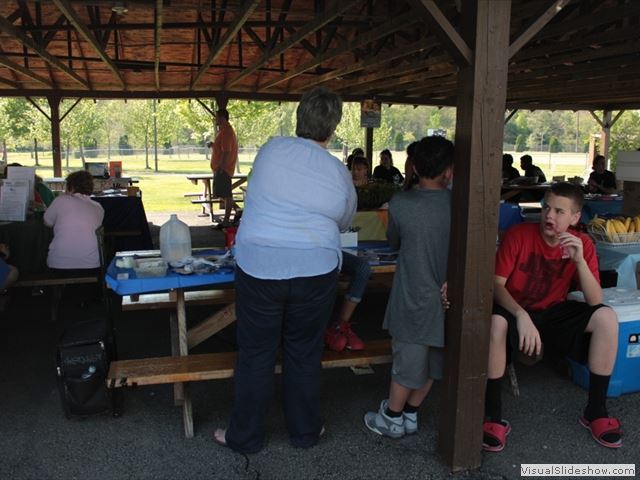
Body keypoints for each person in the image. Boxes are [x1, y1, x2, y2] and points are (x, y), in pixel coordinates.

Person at [214, 87, 356, 453]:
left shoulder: (271, 149)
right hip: (316, 267)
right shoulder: (338, 171)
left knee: (256, 353)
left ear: (299, 119)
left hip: (260, 263)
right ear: (333, 127)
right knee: (304, 353)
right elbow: (345, 219)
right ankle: (305, 432)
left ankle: (244, 436)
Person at [483, 182, 622, 452]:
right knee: (496, 323)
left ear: (575, 218)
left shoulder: (582, 244)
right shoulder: (518, 235)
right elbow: (496, 285)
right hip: (515, 309)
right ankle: (493, 416)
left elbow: (595, 301)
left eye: (560, 211)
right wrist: (521, 315)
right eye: (546, 207)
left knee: (606, 318)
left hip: (553, 312)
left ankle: (596, 411)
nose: (549, 216)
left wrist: (579, 261)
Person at [364, 136, 454, 438]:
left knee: (406, 363)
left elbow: (394, 242)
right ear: (449, 171)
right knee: (433, 362)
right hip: (447, 298)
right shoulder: (459, 203)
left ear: (413, 167)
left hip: (413, 295)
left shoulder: (401, 203)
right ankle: (411, 413)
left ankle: (392, 416)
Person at [44, 170, 104, 274]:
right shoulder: (98, 207)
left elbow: (47, 222)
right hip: (92, 265)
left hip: (59, 264)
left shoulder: (60, 200)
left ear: (71, 187)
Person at [210, 109, 239, 227]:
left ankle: (227, 221)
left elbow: (227, 151)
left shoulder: (226, 131)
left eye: (216, 117)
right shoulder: (223, 131)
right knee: (221, 193)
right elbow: (221, 148)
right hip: (221, 168)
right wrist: (213, 146)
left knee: (226, 195)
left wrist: (221, 167)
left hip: (223, 169)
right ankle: (237, 211)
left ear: (222, 117)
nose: (215, 119)